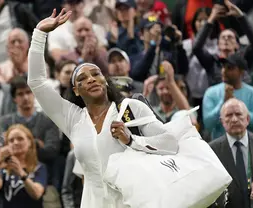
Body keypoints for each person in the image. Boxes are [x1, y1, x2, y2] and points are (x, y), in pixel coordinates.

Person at [28, 9, 178, 207]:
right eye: (82, 78)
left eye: (96, 74)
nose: (90, 79)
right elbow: (37, 82)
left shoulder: (130, 107)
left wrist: (131, 140)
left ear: (105, 81)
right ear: (77, 90)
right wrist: (39, 34)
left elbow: (170, 144)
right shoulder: (73, 119)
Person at [209, 98, 253, 208]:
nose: (234, 119)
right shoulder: (212, 150)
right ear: (222, 122)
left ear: (248, 119)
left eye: (238, 114)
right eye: (229, 115)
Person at [0, 124, 47, 208]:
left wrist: (21, 173)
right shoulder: (3, 166)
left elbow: (37, 194)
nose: (15, 142)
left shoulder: (39, 167)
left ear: (30, 142)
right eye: (11, 140)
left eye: (20, 139)